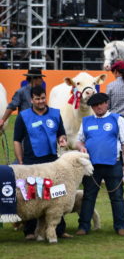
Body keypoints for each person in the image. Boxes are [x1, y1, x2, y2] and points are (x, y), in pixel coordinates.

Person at [13, 85, 71, 240]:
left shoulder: (55, 114)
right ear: (32, 99)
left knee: (56, 195)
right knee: (33, 197)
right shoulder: (23, 116)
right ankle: (30, 231)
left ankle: (59, 229)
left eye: (43, 98)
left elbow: (61, 134)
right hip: (31, 162)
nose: (40, 101)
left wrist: (62, 139)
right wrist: (20, 161)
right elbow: (17, 140)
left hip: (52, 162)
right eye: (37, 98)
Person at [75, 93, 124, 236]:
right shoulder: (86, 121)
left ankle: (120, 226)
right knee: (88, 196)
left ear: (107, 103)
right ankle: (83, 226)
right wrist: (80, 147)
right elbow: (78, 140)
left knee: (117, 196)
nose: (98, 107)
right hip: (91, 166)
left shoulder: (117, 119)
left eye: (101, 104)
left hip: (113, 163)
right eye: (94, 105)